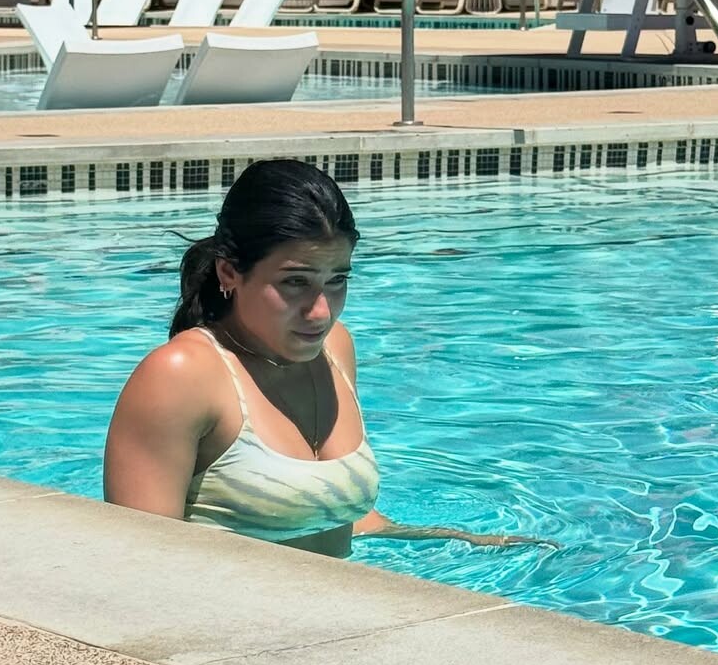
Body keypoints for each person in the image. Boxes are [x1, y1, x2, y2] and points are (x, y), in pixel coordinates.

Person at [103, 159, 545, 557]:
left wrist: (456, 541)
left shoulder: (335, 349)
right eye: (295, 282)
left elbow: (338, 515)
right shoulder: (181, 376)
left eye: (337, 280)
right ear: (229, 272)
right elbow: (142, 564)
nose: (321, 312)